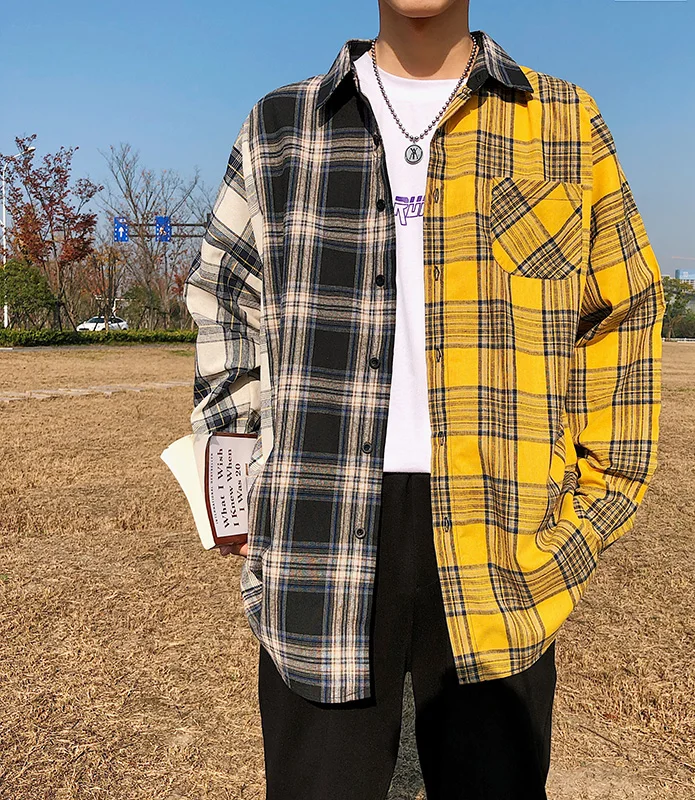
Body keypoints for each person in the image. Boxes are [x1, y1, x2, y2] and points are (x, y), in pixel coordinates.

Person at [183, 0, 666, 797]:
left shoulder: (564, 123)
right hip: (317, 529)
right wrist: (234, 478)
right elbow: (225, 300)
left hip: (503, 533)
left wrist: (595, 501)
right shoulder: (281, 128)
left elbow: (622, 314)